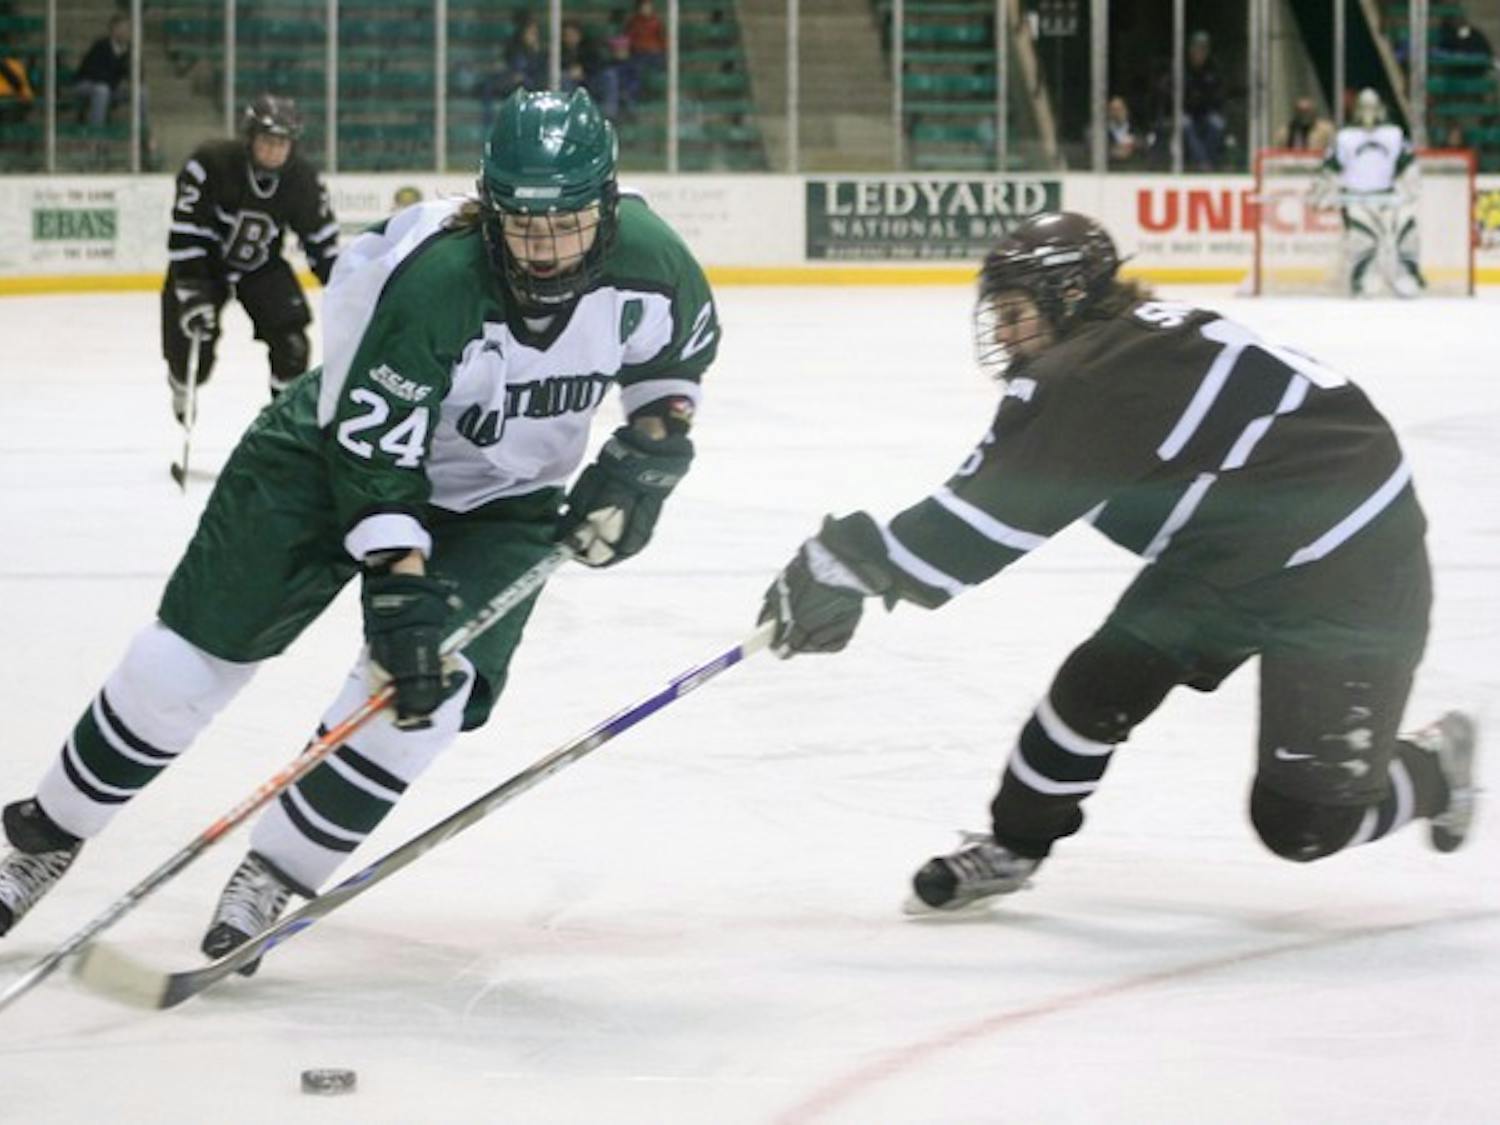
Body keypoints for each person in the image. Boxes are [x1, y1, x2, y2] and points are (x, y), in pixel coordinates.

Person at [0, 88, 721, 969]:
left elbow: (670, 371)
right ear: (490, 210)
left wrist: (650, 455)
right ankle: (46, 836)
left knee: (424, 692)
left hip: (504, 498)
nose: (544, 250)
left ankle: (273, 872)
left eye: (566, 225)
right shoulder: (438, 283)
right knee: (187, 659)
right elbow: (377, 458)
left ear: (606, 206)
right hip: (324, 455)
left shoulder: (656, 263)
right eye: (523, 226)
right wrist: (401, 586)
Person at [757, 211, 1477, 913]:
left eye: (1014, 313)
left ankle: (1434, 770)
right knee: (1099, 682)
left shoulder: (1093, 375)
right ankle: (1015, 844)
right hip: (1237, 550)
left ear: (1069, 297)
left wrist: (850, 562)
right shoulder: (1123, 352)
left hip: (1350, 566)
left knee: (1303, 823)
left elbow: (985, 519)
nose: (1003, 334)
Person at [162, 94, 339, 424]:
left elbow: (321, 241)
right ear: (250, 139)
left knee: (293, 343)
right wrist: (192, 291)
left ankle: (284, 426)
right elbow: (188, 232)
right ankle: (183, 384)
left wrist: (346, 286)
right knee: (191, 349)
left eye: (282, 143)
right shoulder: (209, 165)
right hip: (204, 267)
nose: (274, 150)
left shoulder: (302, 179)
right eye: (267, 141)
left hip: (261, 265)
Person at [1317, 88, 1423, 298]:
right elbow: (1330, 167)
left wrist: (1411, 188)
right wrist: (1324, 190)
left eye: (1372, 108)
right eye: (1364, 108)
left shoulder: (1393, 134)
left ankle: (1406, 275)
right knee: (1363, 237)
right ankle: (1362, 278)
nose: (1368, 113)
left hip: (1387, 196)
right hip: (1355, 198)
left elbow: (1408, 164)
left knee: (1407, 229)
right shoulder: (1346, 137)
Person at [73, 12, 138, 128]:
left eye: (128, 29)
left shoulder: (129, 49)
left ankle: (143, 133)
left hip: (111, 87)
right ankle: (97, 133)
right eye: (124, 28)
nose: (127, 32)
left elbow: (136, 73)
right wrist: (115, 82)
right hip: (86, 84)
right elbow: (95, 73)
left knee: (141, 92)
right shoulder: (100, 46)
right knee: (102, 90)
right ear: (114, 29)